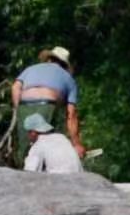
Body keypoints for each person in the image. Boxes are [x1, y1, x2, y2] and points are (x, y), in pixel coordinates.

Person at [14, 46, 84, 174]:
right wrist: (76, 144)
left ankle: (23, 175)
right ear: (64, 65)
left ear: (49, 59)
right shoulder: (68, 78)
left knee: (25, 150)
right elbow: (71, 115)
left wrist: (18, 108)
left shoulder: (30, 69)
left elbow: (16, 86)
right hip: (47, 104)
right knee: (47, 141)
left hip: (24, 104)